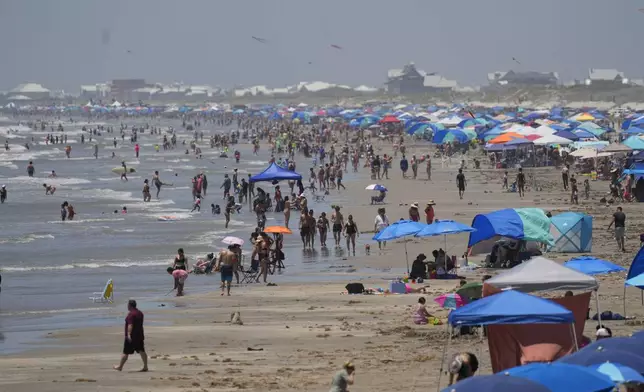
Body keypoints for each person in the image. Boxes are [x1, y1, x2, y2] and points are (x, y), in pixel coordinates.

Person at [114, 300, 148, 372]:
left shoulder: (131, 314)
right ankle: (145, 366)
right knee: (141, 351)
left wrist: (129, 334)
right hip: (139, 335)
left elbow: (130, 325)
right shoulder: (140, 313)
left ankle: (120, 367)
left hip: (132, 337)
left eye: (128, 305)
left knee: (125, 352)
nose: (127, 306)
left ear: (130, 306)